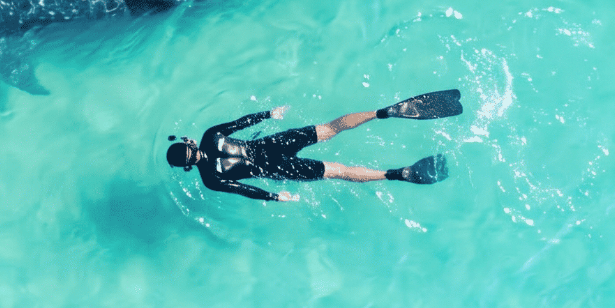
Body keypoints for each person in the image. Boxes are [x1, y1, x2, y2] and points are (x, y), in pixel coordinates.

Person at [166, 90, 462, 202]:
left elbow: (243, 190)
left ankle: (395, 174)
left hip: (275, 167)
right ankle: (381, 113)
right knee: (330, 128)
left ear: (188, 165)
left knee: (339, 170)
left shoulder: (210, 179)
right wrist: (269, 114)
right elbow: (241, 123)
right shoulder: (210, 135)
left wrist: (274, 196)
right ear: (189, 142)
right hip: (272, 144)